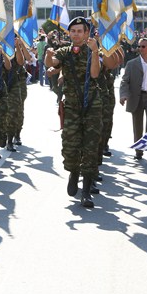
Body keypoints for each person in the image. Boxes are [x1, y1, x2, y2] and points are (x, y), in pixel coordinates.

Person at [44, 17, 102, 208]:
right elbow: (53, 61)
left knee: (90, 147)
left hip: (92, 105)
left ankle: (85, 191)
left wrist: (94, 52)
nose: (76, 34)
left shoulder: (93, 51)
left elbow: (95, 74)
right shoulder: (65, 51)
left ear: (86, 34)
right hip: (71, 106)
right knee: (70, 145)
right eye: (73, 31)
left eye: (80, 31)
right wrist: (49, 54)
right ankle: (73, 171)